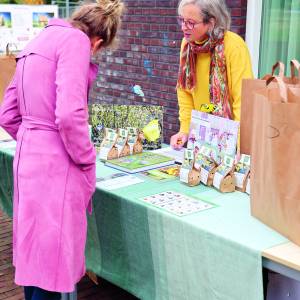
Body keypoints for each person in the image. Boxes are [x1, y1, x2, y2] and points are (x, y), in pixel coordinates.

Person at [0, 0, 124, 299]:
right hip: (57, 164)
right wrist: (85, 159)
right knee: (53, 261)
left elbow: (7, 113)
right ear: (98, 40)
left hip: (29, 156)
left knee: (34, 255)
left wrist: (35, 140)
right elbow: (70, 114)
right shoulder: (76, 42)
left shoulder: (40, 39)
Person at [170, 0, 253, 149]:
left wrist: (240, 145)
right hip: (201, 135)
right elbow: (185, 91)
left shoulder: (234, 46)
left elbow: (243, 100)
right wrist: (185, 130)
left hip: (231, 137)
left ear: (211, 22)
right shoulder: (187, 45)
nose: (183, 27)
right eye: (181, 20)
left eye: (190, 22)